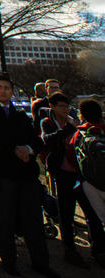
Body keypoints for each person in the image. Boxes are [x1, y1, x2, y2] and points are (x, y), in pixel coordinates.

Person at [0, 73, 58, 277]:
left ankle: (41, 263)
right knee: (5, 221)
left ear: (12, 91)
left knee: (33, 220)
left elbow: (35, 138)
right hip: (4, 173)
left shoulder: (20, 114)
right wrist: (14, 149)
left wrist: (29, 150)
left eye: (6, 87)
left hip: (26, 173)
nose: (3, 91)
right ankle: (9, 261)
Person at [40, 91, 105, 267]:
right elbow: (47, 140)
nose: (66, 109)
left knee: (90, 212)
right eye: (62, 106)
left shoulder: (75, 120)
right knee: (66, 213)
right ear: (52, 107)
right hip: (62, 173)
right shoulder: (47, 123)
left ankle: (98, 249)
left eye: (67, 106)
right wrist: (70, 130)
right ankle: (70, 249)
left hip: (81, 174)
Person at [70, 100, 105, 243]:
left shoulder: (80, 134)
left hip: (89, 183)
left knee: (94, 218)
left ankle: (99, 250)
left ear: (82, 115)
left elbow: (72, 157)